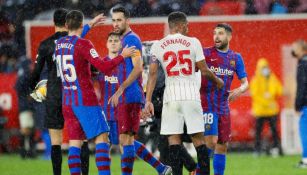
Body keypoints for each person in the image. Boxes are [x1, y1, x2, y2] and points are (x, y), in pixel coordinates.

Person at [54, 10, 135, 175]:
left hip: (68, 102)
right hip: (85, 100)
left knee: (75, 143)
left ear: (66, 25)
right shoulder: (84, 45)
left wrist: (90, 24)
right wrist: (123, 56)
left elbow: (73, 40)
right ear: (81, 24)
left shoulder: (59, 44)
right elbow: (103, 67)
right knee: (102, 138)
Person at [144, 11, 224, 175]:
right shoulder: (193, 42)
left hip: (171, 98)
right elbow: (204, 70)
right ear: (179, 25)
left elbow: (152, 74)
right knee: (198, 140)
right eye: (186, 25)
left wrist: (148, 100)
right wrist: (218, 81)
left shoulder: (158, 45)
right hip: (190, 96)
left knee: (173, 140)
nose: (188, 28)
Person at [28, 8, 105, 175]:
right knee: (80, 140)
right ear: (67, 23)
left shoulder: (46, 44)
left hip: (54, 95)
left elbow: (35, 73)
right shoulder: (74, 41)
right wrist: (91, 24)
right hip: (74, 94)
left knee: (56, 143)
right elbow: (91, 63)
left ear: (53, 23)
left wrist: (31, 89)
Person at [98, 32, 172, 175]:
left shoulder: (127, 66)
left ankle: (160, 168)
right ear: (106, 44)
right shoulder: (101, 65)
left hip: (125, 107)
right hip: (107, 112)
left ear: (121, 45)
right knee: (121, 142)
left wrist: (143, 103)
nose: (113, 43)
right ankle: (161, 168)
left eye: (116, 41)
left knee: (122, 141)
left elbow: (138, 84)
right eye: (110, 40)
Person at [199, 23, 248, 175]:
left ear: (229, 36)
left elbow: (245, 82)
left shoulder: (235, 57)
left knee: (222, 145)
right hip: (206, 105)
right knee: (210, 142)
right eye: (214, 33)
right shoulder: (205, 53)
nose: (216, 37)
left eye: (220, 33)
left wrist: (240, 90)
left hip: (223, 107)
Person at [108, 6, 146, 175]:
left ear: (127, 21)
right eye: (114, 20)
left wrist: (121, 88)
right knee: (126, 139)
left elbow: (138, 68)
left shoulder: (132, 39)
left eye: (119, 20)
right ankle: (160, 167)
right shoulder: (121, 40)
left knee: (126, 139)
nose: (115, 23)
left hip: (129, 94)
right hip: (125, 95)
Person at [250, 58, 283, 157]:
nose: (265, 69)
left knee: (275, 131)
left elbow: (279, 90)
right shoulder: (255, 80)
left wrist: (272, 95)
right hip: (260, 111)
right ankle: (257, 150)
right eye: (263, 67)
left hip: (272, 111)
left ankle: (277, 148)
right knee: (258, 132)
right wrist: (267, 102)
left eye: (266, 67)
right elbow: (255, 95)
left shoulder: (272, 78)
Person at [292, 39, 307, 168]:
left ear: (301, 49)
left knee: (304, 132)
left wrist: (297, 104)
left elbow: (302, 86)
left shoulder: (303, 64)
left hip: (306, 105)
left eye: (295, 48)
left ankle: (306, 160)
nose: (293, 51)